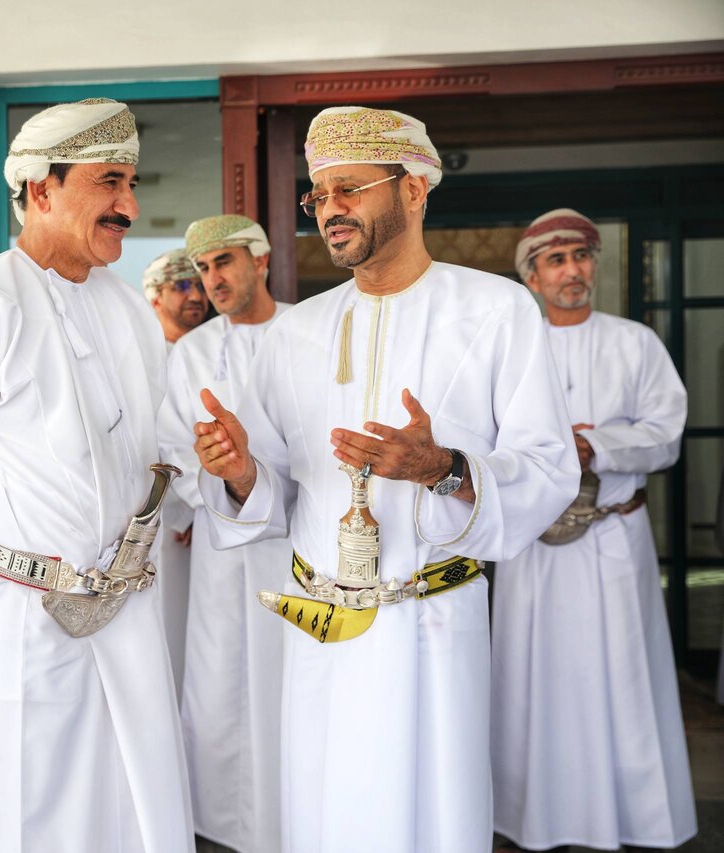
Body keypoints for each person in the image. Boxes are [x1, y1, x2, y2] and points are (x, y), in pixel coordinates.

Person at [190, 106, 578, 853]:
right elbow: (277, 493)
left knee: (426, 819)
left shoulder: (496, 312)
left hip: (427, 630)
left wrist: (445, 468)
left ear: (414, 189)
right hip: (321, 629)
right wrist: (239, 470)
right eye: (319, 195)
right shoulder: (296, 332)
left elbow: (547, 469)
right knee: (323, 816)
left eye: (349, 189)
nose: (330, 210)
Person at [0, 98, 194, 853]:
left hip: (131, 611)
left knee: (136, 802)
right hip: (23, 614)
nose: (130, 204)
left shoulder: (125, 310)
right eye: (109, 181)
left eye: (132, 182)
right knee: (34, 809)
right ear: (40, 189)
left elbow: (160, 451)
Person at [491, 208, 696, 852]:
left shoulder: (634, 342)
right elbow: (486, 440)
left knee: (624, 674)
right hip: (534, 546)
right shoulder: (512, 351)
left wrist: (595, 445)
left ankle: (634, 818)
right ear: (532, 276)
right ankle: (534, 820)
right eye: (555, 260)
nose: (571, 271)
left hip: (613, 537)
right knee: (535, 680)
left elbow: (665, 436)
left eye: (580, 257)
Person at [157, 214, 292, 853]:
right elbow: (171, 450)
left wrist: (265, 481)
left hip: (300, 548)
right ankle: (219, 831)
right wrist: (216, 489)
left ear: (260, 261)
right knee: (217, 688)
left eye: (225, 262)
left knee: (291, 688)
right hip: (219, 549)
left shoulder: (310, 334)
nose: (213, 279)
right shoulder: (191, 354)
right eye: (203, 269)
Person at [142, 248, 206, 696]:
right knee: (166, 632)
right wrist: (184, 513)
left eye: (199, 285)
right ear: (155, 298)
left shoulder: (207, 354)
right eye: (182, 285)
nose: (196, 295)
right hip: (167, 524)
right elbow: (151, 443)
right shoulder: (145, 361)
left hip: (211, 517)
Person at [144, 248, 207, 345]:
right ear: (156, 300)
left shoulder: (221, 347)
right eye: (182, 286)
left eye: (202, 286)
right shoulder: (142, 353)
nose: (196, 296)